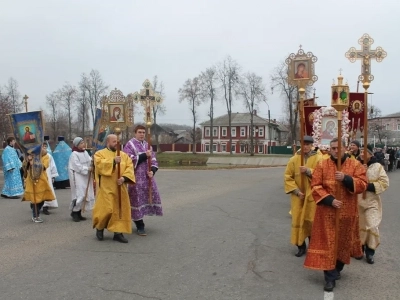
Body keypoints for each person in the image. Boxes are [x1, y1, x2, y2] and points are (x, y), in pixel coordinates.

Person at [304, 138, 368, 292]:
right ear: (330, 149)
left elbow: (363, 183)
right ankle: (329, 277)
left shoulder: (355, 165)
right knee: (328, 243)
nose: (335, 150)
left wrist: (346, 178)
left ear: (345, 148)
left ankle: (337, 268)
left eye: (338, 148)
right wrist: (330, 200)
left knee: (342, 243)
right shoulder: (322, 164)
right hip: (327, 212)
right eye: (332, 148)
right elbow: (315, 185)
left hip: (347, 212)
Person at [92, 134, 135, 243]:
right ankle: (100, 227)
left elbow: (129, 167)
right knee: (107, 209)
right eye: (114, 141)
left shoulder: (124, 155)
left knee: (120, 210)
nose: (116, 143)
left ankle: (118, 232)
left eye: (117, 141)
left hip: (120, 187)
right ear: (108, 142)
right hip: (106, 188)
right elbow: (99, 165)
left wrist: (124, 178)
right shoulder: (99, 154)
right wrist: (112, 162)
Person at [284, 136, 321, 257]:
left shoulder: (319, 158)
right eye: (303, 144)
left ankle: (313, 246)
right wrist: (296, 191)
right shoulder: (294, 159)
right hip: (298, 196)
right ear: (300, 144)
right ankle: (300, 246)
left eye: (308, 144)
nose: (305, 146)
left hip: (312, 196)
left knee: (311, 220)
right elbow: (288, 177)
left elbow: (323, 175)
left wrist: (309, 171)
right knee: (298, 219)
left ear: (312, 145)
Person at [123, 125, 163, 236]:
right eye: (139, 132)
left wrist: (153, 171)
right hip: (134, 179)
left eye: (143, 132)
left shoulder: (147, 145)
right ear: (135, 133)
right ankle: (140, 224)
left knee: (149, 197)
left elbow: (154, 160)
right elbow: (128, 160)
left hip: (147, 178)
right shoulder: (129, 145)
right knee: (136, 200)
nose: (142, 134)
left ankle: (140, 219)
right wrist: (144, 155)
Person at [357, 146, 389, 264]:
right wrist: (361, 172)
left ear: (370, 154)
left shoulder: (378, 167)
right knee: (359, 226)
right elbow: (351, 181)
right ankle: (359, 248)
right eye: (360, 152)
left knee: (372, 225)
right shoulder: (355, 164)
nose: (361, 154)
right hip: (358, 201)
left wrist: (369, 186)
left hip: (372, 202)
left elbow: (384, 183)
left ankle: (370, 252)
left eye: (364, 152)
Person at [22, 147, 56, 223]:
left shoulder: (45, 156)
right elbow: (24, 167)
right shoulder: (29, 155)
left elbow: (43, 167)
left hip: (42, 180)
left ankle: (35, 208)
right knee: (35, 200)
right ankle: (35, 216)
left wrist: (33, 162)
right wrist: (28, 160)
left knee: (42, 199)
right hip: (31, 180)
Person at [68, 137, 95, 222]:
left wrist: (93, 161)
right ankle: (74, 212)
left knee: (85, 195)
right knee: (80, 195)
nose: (83, 144)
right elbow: (76, 166)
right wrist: (87, 168)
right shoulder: (74, 154)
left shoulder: (85, 152)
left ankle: (79, 213)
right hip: (78, 176)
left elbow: (90, 161)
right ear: (77, 145)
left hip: (86, 176)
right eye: (81, 143)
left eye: (83, 142)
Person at [41, 143, 59, 215]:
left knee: (48, 191)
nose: (44, 148)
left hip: (48, 176)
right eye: (43, 146)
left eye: (45, 146)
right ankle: (37, 205)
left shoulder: (49, 156)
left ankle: (46, 206)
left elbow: (52, 166)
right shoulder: (37, 156)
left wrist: (53, 176)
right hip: (40, 177)